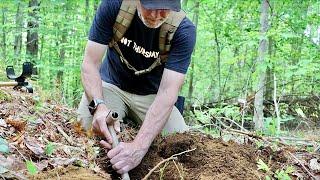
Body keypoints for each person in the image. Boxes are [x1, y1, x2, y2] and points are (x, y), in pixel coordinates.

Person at [77, 0, 196, 175]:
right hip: (112, 85)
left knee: (182, 144)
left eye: (165, 10)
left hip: (153, 96)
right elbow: (90, 64)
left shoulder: (183, 30)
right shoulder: (114, 6)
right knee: (88, 129)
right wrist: (99, 106)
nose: (156, 16)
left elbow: (167, 92)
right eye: (151, 8)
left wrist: (139, 147)